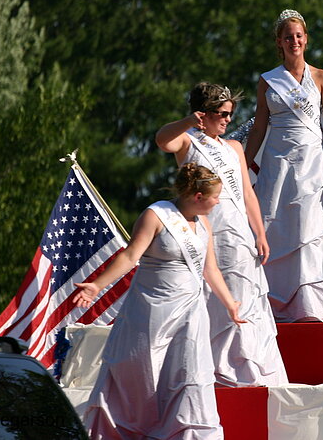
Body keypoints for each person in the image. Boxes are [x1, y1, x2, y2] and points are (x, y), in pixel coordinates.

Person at [73, 163, 244, 440]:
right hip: (151, 310)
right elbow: (130, 257)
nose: (218, 202)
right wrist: (96, 285)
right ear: (198, 197)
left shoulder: (204, 225)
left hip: (189, 310)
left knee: (189, 371)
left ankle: (186, 433)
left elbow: (209, 269)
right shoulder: (156, 215)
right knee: (144, 374)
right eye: (215, 197)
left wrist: (230, 304)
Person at [154, 82, 288, 387]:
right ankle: (213, 370)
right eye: (222, 113)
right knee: (209, 299)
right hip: (206, 231)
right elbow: (162, 140)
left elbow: (247, 194)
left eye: (230, 113)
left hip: (238, 233)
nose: (228, 120)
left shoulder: (234, 148)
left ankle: (247, 370)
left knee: (245, 299)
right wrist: (188, 122)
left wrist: (260, 233)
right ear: (205, 113)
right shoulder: (187, 142)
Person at [244, 9, 323, 322]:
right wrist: (244, 164)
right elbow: (258, 129)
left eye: (299, 36)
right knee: (277, 228)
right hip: (278, 164)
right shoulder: (267, 82)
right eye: (288, 36)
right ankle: (278, 304)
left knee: (311, 228)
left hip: (314, 164)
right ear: (280, 41)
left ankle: (313, 306)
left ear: (306, 39)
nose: (294, 41)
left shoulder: (321, 77)